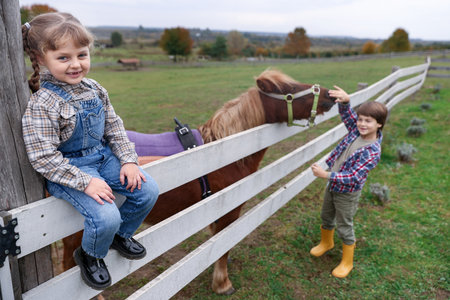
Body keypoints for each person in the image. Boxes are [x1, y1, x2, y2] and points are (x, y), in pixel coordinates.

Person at [21, 12, 159, 290]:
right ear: (41, 58)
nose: (75, 65)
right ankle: (90, 254)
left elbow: (115, 128)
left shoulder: (95, 89)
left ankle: (121, 235)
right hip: (69, 170)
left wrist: (128, 160)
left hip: (102, 156)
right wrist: (85, 182)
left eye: (82, 55)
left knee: (147, 191)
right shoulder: (42, 103)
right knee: (105, 215)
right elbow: (43, 157)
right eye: (63, 58)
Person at [310, 86, 388, 278]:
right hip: (333, 185)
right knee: (326, 215)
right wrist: (345, 102)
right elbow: (347, 116)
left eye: (368, 121)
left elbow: (353, 176)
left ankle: (347, 262)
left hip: (348, 192)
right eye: (361, 119)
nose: (362, 124)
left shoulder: (372, 151)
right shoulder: (356, 130)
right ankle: (326, 242)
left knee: (345, 224)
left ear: (379, 124)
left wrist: (326, 175)